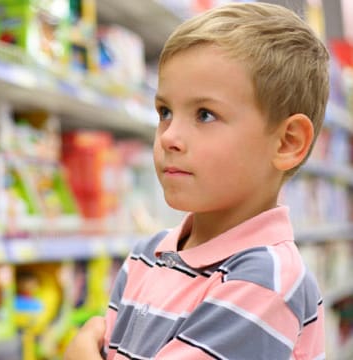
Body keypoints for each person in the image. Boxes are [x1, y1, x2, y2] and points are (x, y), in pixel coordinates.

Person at [64, 2, 329, 359]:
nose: (169, 136)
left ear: (287, 142)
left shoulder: (266, 281)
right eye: (165, 112)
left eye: (205, 114)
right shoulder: (149, 255)